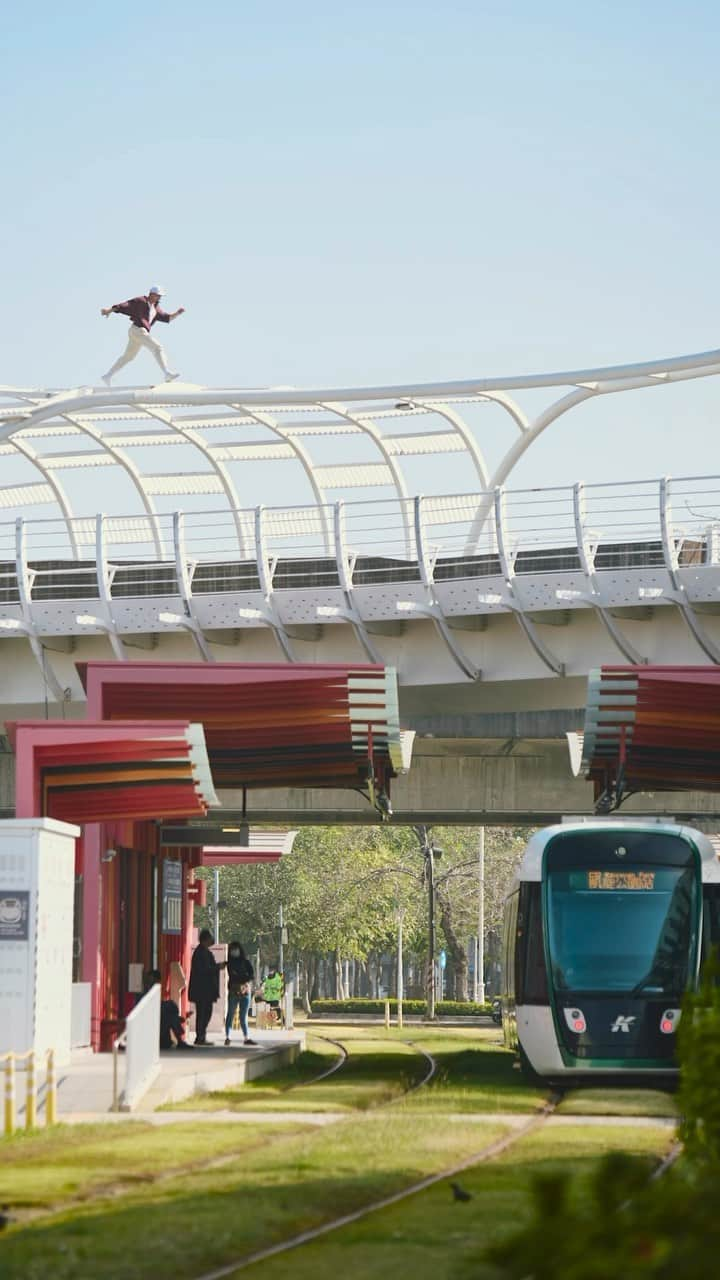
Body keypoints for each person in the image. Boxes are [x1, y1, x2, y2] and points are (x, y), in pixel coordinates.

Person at [100, 285, 185, 385]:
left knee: (128, 357)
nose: (159, 298)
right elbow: (124, 305)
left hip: (137, 333)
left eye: (160, 296)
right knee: (157, 347)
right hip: (138, 330)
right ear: (151, 294)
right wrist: (108, 310)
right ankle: (166, 373)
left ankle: (107, 376)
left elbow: (167, 318)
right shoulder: (141, 301)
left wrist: (178, 313)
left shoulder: (155, 308)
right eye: (158, 296)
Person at [144, 969, 193, 1050]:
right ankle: (180, 1040)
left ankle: (177, 1020)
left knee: (170, 1014)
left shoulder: (155, 991)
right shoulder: (144, 992)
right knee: (170, 1012)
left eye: (154, 982)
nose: (151, 984)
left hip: (158, 1021)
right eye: (151, 981)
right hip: (150, 1022)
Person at [188, 929, 220, 1045]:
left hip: (206, 990)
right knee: (202, 1013)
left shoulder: (205, 952)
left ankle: (201, 1036)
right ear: (206, 939)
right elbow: (204, 970)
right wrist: (217, 967)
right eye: (211, 937)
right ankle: (200, 1037)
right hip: (202, 989)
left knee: (206, 1012)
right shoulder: (200, 953)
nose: (213, 940)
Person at [225, 941, 257, 1048]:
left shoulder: (246, 962)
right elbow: (234, 976)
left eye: (236, 949)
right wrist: (244, 977)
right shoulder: (229, 963)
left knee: (243, 1016)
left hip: (245, 992)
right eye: (232, 949)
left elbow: (251, 975)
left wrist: (242, 977)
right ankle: (228, 1037)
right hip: (234, 991)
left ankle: (246, 1037)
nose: (234, 951)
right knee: (230, 1014)